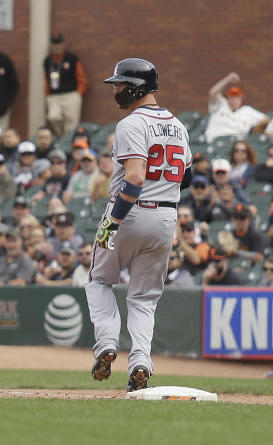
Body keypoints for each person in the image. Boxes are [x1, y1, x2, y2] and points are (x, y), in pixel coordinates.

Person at [86, 58, 191, 393]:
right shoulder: (179, 125)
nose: (116, 89)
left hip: (130, 211)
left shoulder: (131, 124)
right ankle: (142, 362)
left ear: (137, 87)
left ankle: (105, 345)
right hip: (165, 217)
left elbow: (134, 179)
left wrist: (112, 223)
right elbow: (185, 176)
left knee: (99, 282)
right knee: (144, 297)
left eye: (120, 84)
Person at [44, 32, 88, 137]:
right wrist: (48, 95)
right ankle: (62, 137)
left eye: (58, 43)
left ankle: (68, 141)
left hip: (71, 95)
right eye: (54, 44)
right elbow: (46, 80)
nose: (56, 46)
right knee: (52, 117)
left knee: (71, 123)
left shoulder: (72, 59)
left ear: (63, 44)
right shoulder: (47, 61)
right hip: (54, 96)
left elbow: (82, 78)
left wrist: (78, 94)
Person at [203, 73, 269, 143]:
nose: (234, 99)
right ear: (228, 98)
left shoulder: (247, 111)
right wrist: (228, 79)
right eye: (231, 97)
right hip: (214, 143)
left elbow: (267, 120)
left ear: (241, 99)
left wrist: (254, 130)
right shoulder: (221, 105)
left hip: (236, 147)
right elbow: (212, 93)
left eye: (236, 97)